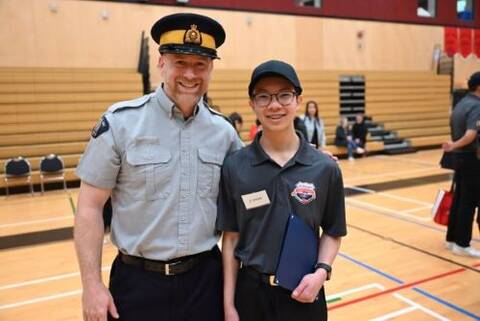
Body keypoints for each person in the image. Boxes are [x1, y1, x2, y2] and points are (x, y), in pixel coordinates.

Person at [73, 13, 243, 321]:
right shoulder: (121, 123)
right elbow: (89, 207)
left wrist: (303, 156)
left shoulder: (225, 133)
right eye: (180, 62)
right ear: (161, 63)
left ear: (211, 69)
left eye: (200, 65)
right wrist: (91, 284)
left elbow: (255, 180)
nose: (190, 74)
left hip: (205, 282)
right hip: (138, 284)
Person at [217, 60, 347, 321]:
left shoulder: (324, 168)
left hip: (304, 293)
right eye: (263, 96)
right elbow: (230, 239)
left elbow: (333, 231)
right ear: (252, 104)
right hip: (250, 296)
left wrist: (321, 273)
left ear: (298, 100)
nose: (274, 105)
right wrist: (229, 305)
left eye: (284, 95)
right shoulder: (234, 166)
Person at [443, 71, 480, 258]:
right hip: (471, 159)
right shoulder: (477, 106)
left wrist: (453, 147)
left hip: (459, 159)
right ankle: (462, 243)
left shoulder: (461, 104)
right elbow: (471, 134)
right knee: (469, 202)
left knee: (459, 199)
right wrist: (454, 145)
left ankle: (451, 239)